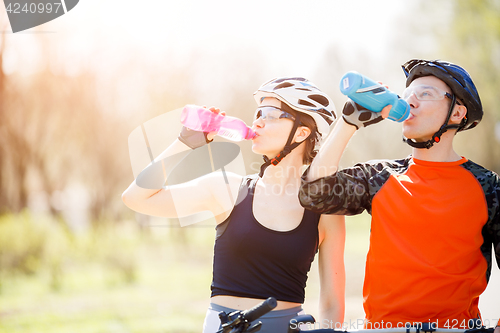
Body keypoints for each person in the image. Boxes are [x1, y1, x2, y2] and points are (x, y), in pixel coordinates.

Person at [122, 77, 346, 333]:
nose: (258, 121)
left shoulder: (326, 210)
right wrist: (184, 144)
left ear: (302, 132)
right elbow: (136, 198)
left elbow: (332, 302)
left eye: (272, 114)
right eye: (258, 113)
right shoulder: (227, 189)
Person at [298, 59, 500, 330]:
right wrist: (348, 123)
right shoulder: (379, 176)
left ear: (457, 114)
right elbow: (313, 193)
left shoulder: (488, 187)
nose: (411, 102)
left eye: (425, 94)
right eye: (407, 96)